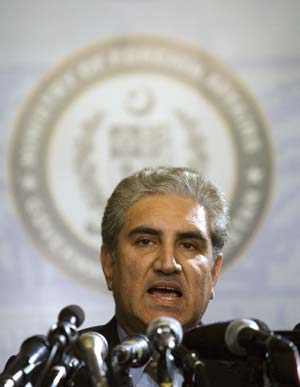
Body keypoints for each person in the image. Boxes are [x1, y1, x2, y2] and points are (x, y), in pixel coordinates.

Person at [77, 166, 262, 386]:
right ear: (109, 264)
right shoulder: (62, 368)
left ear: (213, 273)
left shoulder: (256, 375)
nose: (167, 264)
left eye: (188, 245)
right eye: (146, 241)